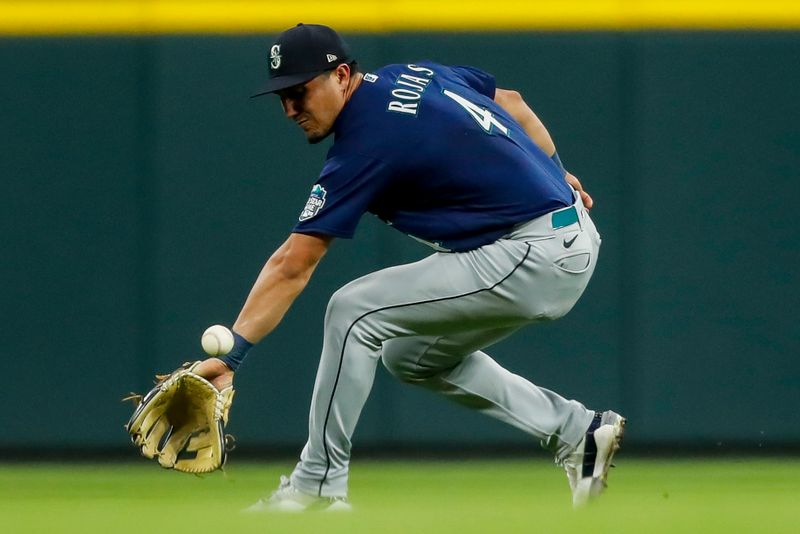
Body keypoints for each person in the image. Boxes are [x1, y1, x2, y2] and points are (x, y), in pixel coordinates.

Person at [193, 23, 625, 510]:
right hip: (559, 237)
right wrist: (554, 169)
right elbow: (514, 102)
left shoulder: (369, 139)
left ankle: (316, 485)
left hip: (534, 252)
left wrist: (232, 356)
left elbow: (294, 263)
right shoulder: (412, 74)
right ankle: (577, 431)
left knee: (352, 310)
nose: (291, 109)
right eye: (282, 97)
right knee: (411, 355)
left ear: (340, 76)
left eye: (300, 92)